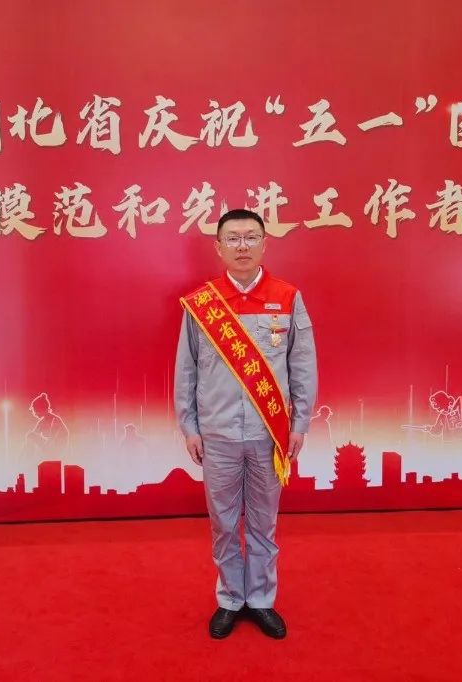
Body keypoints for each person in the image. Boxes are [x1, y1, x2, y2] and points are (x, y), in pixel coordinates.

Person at [174, 208, 318, 639]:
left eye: (251, 237)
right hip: (217, 434)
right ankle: (230, 599)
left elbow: (302, 366)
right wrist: (190, 426)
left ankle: (260, 599)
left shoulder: (287, 297)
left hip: (268, 434)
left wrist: (299, 422)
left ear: (264, 244)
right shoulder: (202, 304)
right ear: (218, 247)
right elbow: (186, 369)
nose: (242, 246)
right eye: (233, 238)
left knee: (262, 522)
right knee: (223, 522)